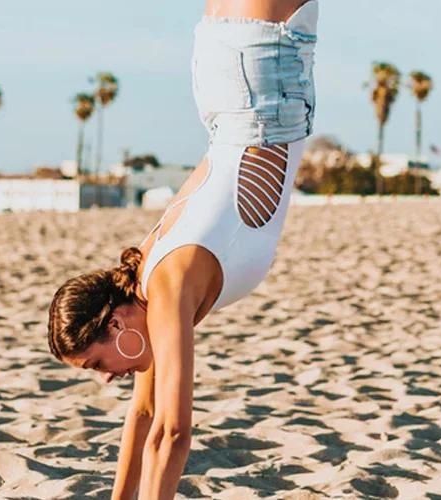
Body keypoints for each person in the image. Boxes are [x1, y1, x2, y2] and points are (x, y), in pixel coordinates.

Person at [47, 1, 319, 498]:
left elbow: (173, 434)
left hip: (261, 84)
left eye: (98, 365)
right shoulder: (150, 281)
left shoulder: (168, 289)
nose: (107, 380)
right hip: (227, 77)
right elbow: (145, 417)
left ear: (115, 324)